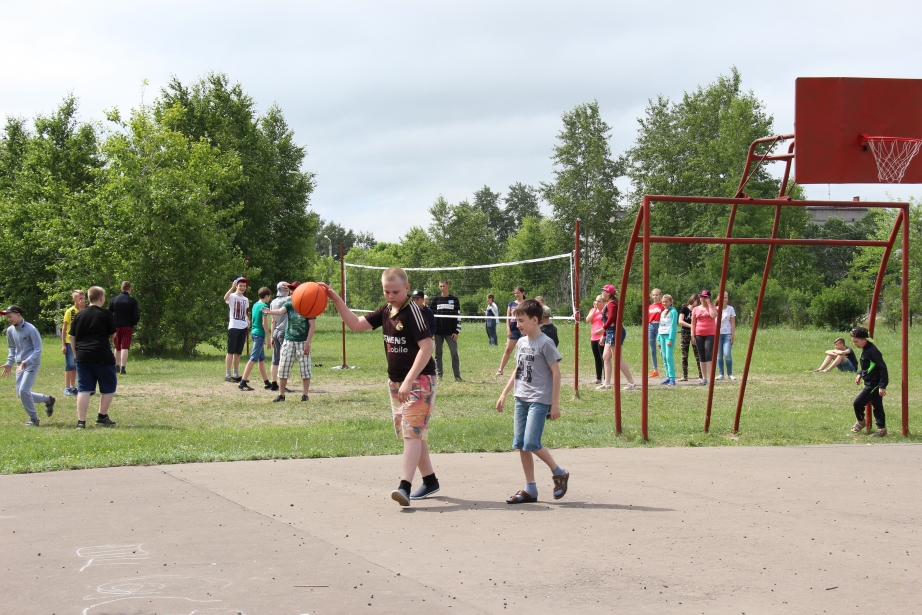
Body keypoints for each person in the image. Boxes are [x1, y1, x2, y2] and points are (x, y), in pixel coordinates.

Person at [319, 269, 440, 507]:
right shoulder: (386, 311)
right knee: (413, 433)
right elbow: (354, 324)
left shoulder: (414, 312)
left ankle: (404, 487)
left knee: (411, 432)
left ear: (407, 288)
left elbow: (426, 348)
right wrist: (334, 298)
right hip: (396, 382)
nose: (391, 296)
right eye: (386, 291)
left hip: (419, 381)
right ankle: (430, 480)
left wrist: (408, 380)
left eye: (395, 291)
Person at [496, 299, 569, 504]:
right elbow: (518, 369)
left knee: (531, 442)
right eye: (516, 320)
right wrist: (504, 393)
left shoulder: (546, 343)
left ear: (535, 320)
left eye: (521, 320)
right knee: (521, 443)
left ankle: (559, 472)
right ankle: (530, 489)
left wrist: (555, 403)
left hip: (539, 399)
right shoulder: (521, 342)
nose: (517, 324)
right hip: (521, 397)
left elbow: (556, 372)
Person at [68, 287, 117, 429]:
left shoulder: (79, 315)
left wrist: (76, 354)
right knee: (108, 387)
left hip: (83, 355)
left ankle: (81, 422)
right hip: (102, 355)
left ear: (89, 298)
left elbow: (72, 336)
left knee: (84, 389)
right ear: (101, 298)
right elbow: (113, 335)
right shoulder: (106, 314)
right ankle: (102, 416)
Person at [1, 305, 55, 426]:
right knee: (21, 394)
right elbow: (12, 348)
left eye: (10, 316)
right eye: (7, 317)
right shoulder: (10, 331)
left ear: (18, 315)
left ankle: (34, 419)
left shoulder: (31, 329)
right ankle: (48, 399)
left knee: (24, 390)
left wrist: (27, 361)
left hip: (31, 363)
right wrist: (9, 363)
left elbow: (38, 350)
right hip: (19, 365)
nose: (8, 319)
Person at [262, 282, 314, 402]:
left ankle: (305, 395)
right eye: (291, 290)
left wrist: (307, 342)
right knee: (283, 367)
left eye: (294, 289)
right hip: (289, 340)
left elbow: (312, 326)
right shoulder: (289, 304)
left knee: (305, 369)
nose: (292, 292)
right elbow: (280, 311)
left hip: (302, 341)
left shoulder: (308, 306)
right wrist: (269, 311)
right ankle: (281, 395)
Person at [849, 327, 888, 437]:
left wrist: (882, 386)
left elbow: (882, 368)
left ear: (864, 339)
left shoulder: (873, 351)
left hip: (874, 384)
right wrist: (860, 374)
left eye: (856, 341)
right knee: (877, 406)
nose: (855, 344)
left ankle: (860, 421)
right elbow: (869, 366)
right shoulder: (866, 350)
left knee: (858, 403)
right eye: (853, 341)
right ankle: (882, 429)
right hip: (869, 382)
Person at [597, 285, 635, 391]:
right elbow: (608, 320)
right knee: (606, 357)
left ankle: (631, 382)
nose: (602, 293)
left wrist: (603, 329)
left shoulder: (612, 303)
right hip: (610, 332)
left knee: (617, 358)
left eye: (603, 291)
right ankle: (607, 383)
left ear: (608, 293)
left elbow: (612, 318)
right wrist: (604, 336)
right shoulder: (609, 303)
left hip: (615, 332)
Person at [238, 287, 273, 391]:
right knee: (253, 358)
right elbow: (264, 323)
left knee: (261, 359)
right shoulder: (264, 306)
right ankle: (243, 382)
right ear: (266, 296)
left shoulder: (255, 305)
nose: (269, 299)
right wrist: (268, 336)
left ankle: (267, 382)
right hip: (259, 334)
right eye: (269, 297)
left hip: (254, 332)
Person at [429, 279, 462, 382]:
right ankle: (439, 375)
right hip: (438, 333)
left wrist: (456, 332)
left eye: (443, 286)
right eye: (440, 286)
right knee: (438, 354)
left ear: (448, 286)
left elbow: (458, 316)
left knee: (454, 353)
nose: (442, 288)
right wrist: (432, 332)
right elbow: (431, 317)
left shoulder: (454, 299)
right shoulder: (435, 300)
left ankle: (457, 376)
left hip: (451, 333)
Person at [109, 281, 140, 375]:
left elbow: (108, 314)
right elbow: (136, 316)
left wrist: (111, 324)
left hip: (116, 326)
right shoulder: (132, 301)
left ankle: (116, 366)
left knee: (117, 347)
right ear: (129, 289)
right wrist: (133, 323)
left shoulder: (114, 300)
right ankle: (123, 368)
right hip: (127, 326)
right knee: (125, 347)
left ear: (121, 289)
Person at [224, 277, 249, 382]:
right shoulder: (232, 296)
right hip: (234, 326)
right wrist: (232, 288)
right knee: (231, 351)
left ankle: (236, 373)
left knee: (238, 352)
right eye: (240, 285)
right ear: (237, 286)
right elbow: (225, 298)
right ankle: (228, 374)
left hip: (243, 326)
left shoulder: (245, 299)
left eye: (244, 286)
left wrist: (247, 320)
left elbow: (244, 313)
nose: (242, 287)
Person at [497, 287, 526, 376]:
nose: (517, 295)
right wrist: (508, 330)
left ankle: (521, 369)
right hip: (513, 330)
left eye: (518, 293)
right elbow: (508, 318)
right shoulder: (511, 304)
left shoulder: (526, 303)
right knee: (508, 349)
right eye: (515, 293)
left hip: (524, 330)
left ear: (522, 293)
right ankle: (500, 369)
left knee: (523, 350)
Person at [691, 289, 718, 386]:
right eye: (701, 297)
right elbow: (693, 323)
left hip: (710, 333)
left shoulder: (713, 307)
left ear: (709, 298)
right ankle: (704, 378)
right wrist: (692, 335)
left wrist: (709, 305)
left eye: (705, 297)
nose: (703, 299)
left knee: (708, 353)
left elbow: (713, 315)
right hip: (699, 333)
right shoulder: (695, 309)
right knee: (701, 355)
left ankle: (711, 378)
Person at [268, 281, 291, 392]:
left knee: (275, 359)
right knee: (284, 359)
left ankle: (273, 383)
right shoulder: (288, 300)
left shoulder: (273, 302)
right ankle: (282, 385)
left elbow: (273, 321)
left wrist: (272, 336)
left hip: (276, 331)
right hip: (283, 332)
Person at [62, 289, 85, 395]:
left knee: (76, 365)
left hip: (80, 342)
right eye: (80, 298)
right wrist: (63, 344)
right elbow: (64, 327)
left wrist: (81, 310)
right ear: (74, 299)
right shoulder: (70, 311)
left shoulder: (84, 310)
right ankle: (67, 387)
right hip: (69, 341)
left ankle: (73, 386)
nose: (82, 300)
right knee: (70, 365)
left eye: (83, 298)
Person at [678, 294, 703, 382]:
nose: (699, 303)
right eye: (698, 301)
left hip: (695, 334)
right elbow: (680, 321)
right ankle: (685, 376)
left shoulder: (698, 310)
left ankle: (701, 375)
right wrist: (692, 326)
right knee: (684, 355)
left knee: (698, 355)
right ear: (693, 300)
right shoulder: (685, 309)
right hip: (685, 333)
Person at [656, 294, 678, 386]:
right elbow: (660, 325)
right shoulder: (663, 311)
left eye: (666, 302)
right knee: (664, 357)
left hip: (669, 336)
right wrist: (658, 339)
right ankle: (668, 377)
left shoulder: (673, 312)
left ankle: (672, 378)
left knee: (669, 357)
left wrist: (671, 339)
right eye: (663, 302)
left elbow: (673, 326)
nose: (664, 303)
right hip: (662, 335)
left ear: (670, 302)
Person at [716, 291, 736, 380]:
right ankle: (721, 374)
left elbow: (732, 322)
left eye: (726, 297)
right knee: (719, 355)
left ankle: (730, 373)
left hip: (727, 333)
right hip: (717, 334)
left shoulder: (730, 309)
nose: (725, 299)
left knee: (727, 353)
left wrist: (733, 334)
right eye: (723, 297)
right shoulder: (715, 309)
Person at [586, 295, 605, 384]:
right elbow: (588, 320)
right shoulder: (593, 310)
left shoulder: (605, 311)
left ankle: (606, 378)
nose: (597, 303)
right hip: (593, 337)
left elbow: (607, 324)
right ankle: (598, 378)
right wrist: (594, 310)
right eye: (596, 301)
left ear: (604, 302)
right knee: (597, 358)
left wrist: (603, 334)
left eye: (599, 301)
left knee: (603, 357)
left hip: (601, 337)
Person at [647, 288, 664, 378]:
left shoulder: (662, 305)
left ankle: (667, 368)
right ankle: (655, 370)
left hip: (660, 326)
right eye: (653, 295)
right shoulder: (650, 306)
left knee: (661, 347)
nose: (655, 296)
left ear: (660, 296)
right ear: (651, 296)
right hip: (651, 326)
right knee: (652, 350)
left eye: (657, 295)